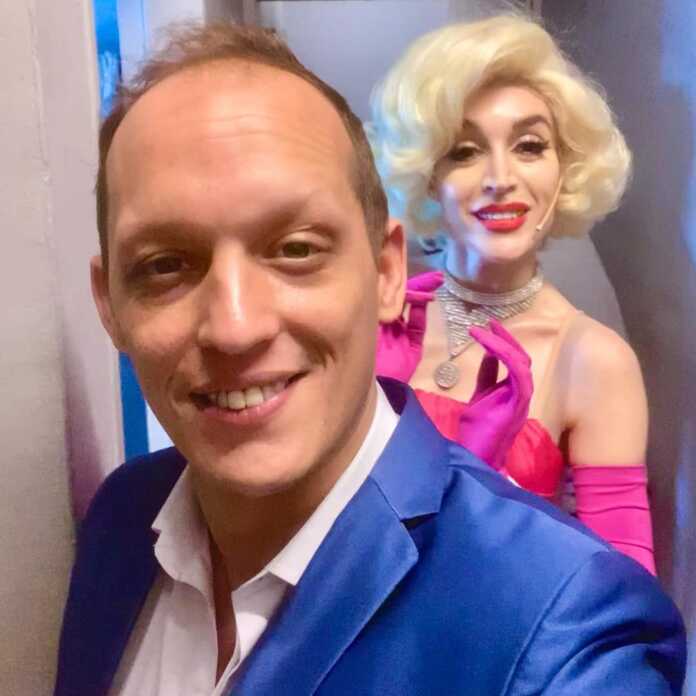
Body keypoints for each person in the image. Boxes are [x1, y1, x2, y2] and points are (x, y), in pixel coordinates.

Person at [54, 21, 685, 696]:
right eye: (165, 265)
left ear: (384, 271)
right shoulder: (122, 521)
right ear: (109, 304)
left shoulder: (571, 621)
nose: (235, 329)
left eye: (296, 249)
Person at [370, 14, 656, 573]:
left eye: (529, 146)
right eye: (464, 151)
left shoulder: (594, 361)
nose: (500, 178)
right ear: (428, 175)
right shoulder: (380, 321)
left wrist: (485, 479)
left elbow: (625, 597)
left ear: (565, 169)